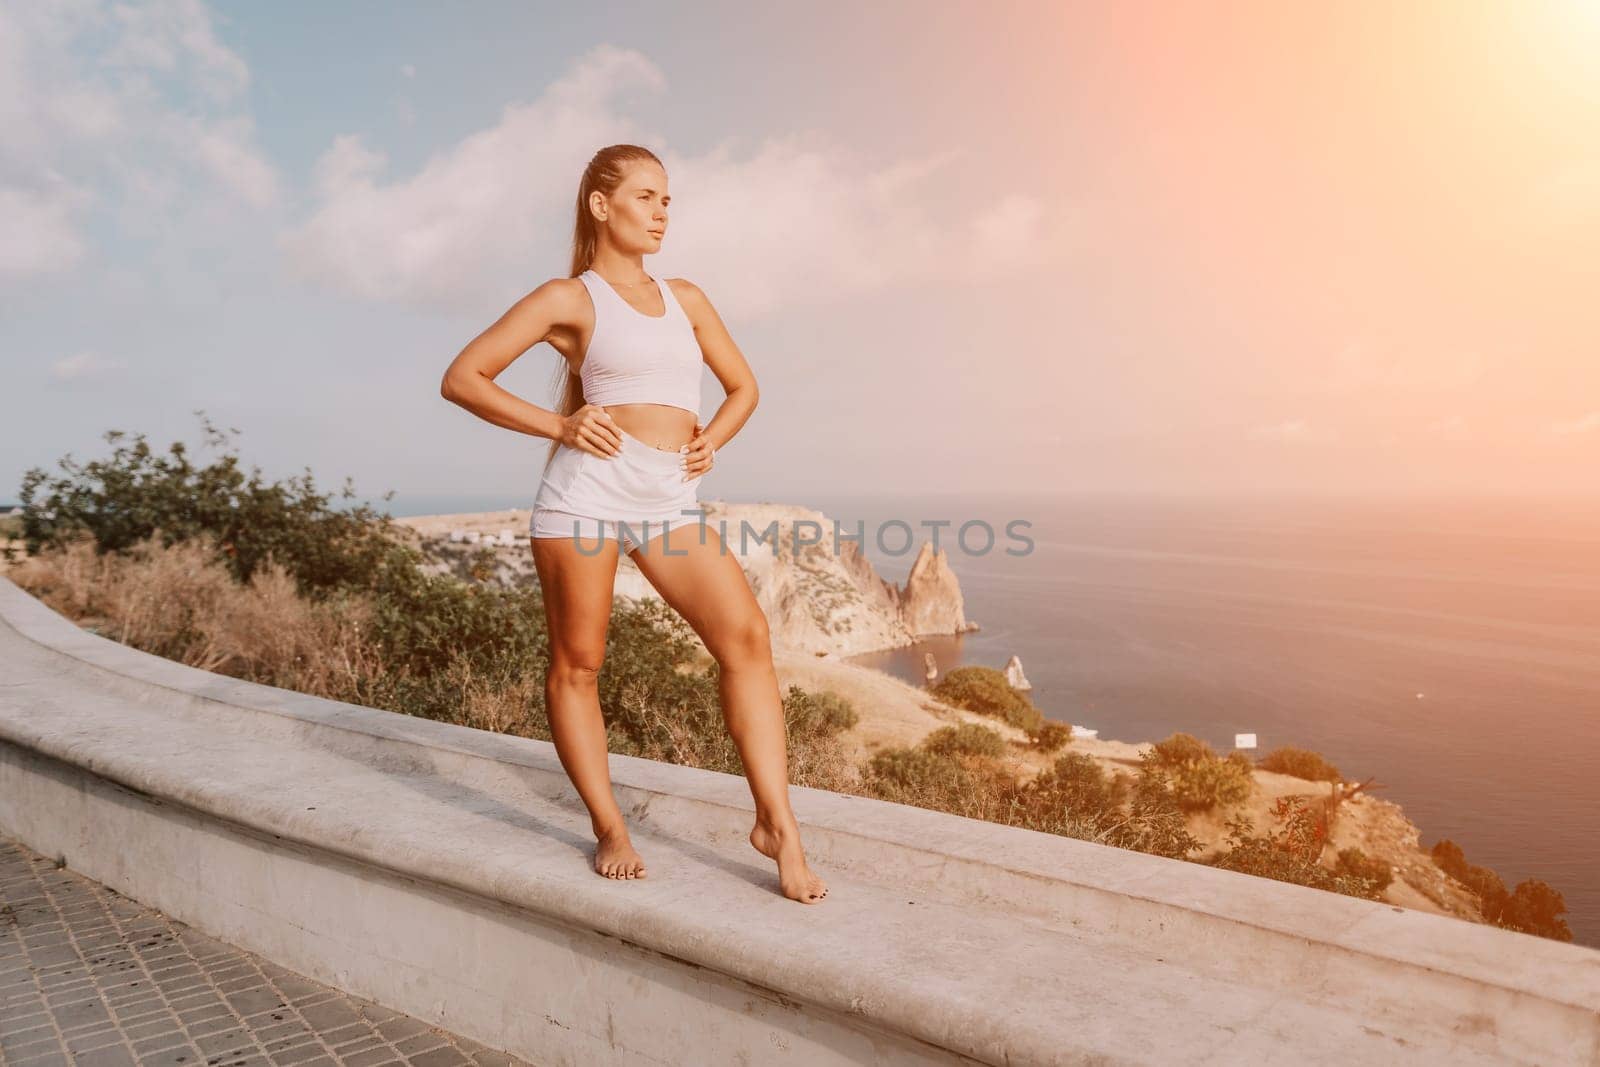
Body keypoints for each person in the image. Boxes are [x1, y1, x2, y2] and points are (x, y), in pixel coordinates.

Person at [440, 144, 829, 904]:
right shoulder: (570, 298)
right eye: (646, 197)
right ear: (600, 205)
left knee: (746, 637)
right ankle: (610, 826)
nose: (661, 213)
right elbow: (463, 378)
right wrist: (561, 427)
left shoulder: (685, 296)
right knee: (579, 664)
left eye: (667, 200)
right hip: (584, 497)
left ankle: (777, 823)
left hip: (666, 499)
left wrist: (711, 438)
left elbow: (744, 386)